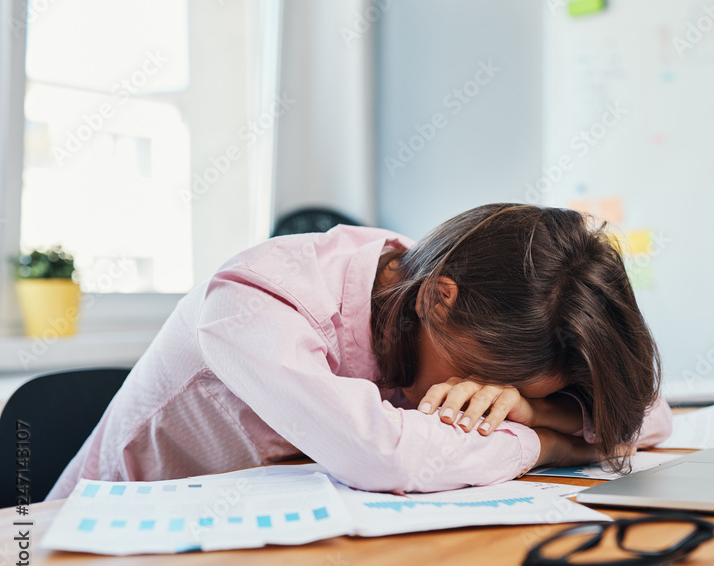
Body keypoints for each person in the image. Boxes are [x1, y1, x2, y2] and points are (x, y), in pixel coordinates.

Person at [47, 203, 671, 500]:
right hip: (103, 552)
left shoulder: (442, 288)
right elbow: (384, 457)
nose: (489, 399)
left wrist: (538, 410)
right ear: (439, 301)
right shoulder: (256, 300)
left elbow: (647, 413)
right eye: (490, 376)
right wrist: (554, 444)